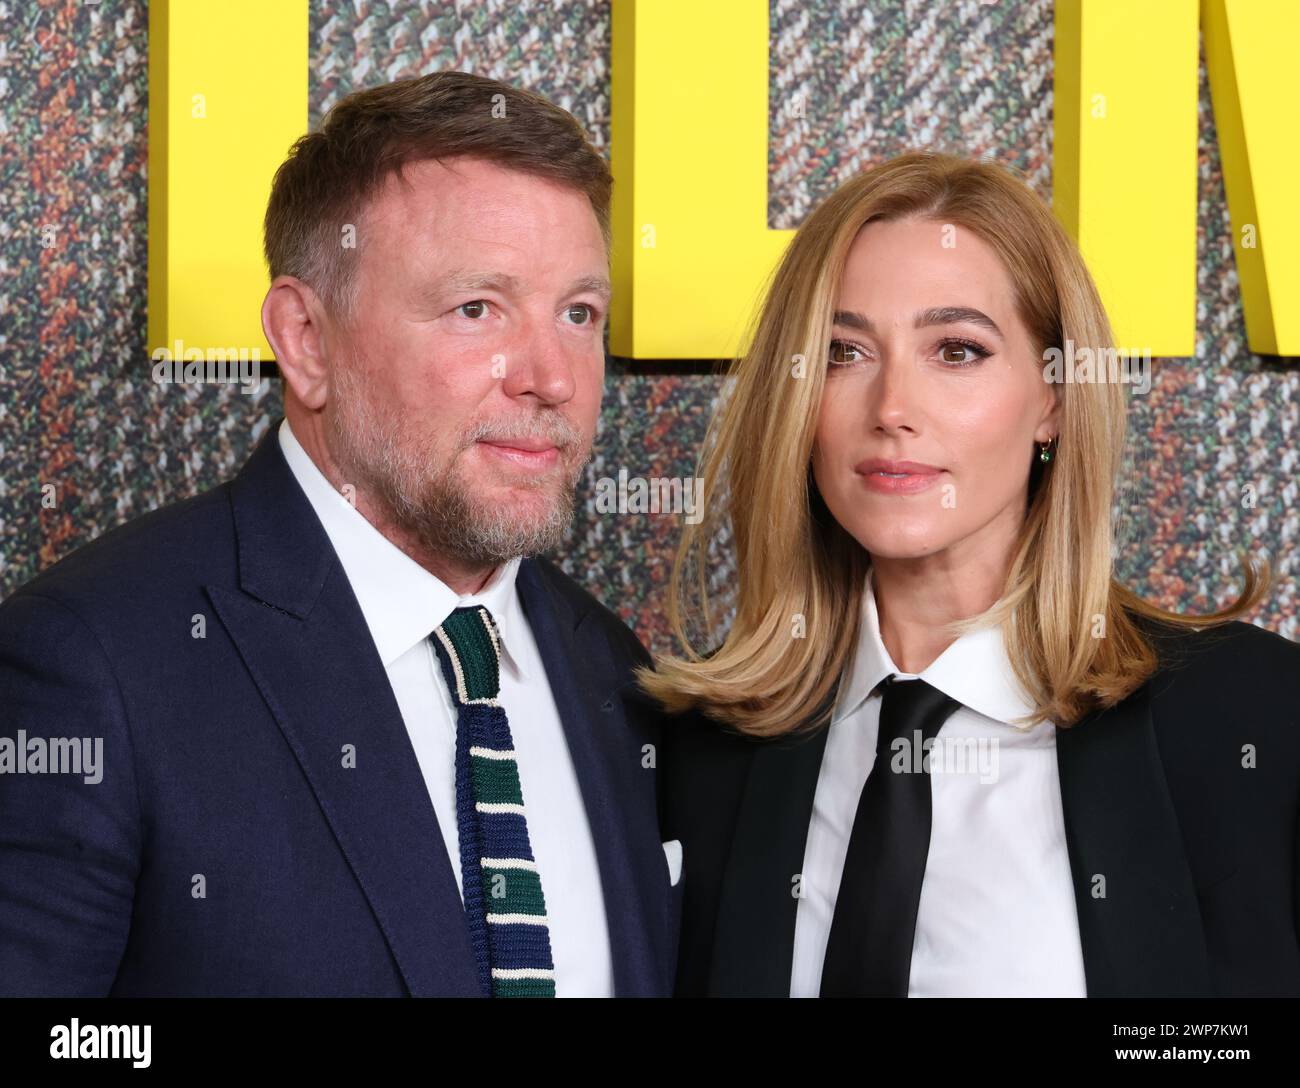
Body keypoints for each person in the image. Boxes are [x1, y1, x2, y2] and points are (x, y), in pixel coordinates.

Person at [0, 71, 678, 998]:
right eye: (476, 307)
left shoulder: (617, 673)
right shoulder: (92, 666)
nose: (551, 378)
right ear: (307, 341)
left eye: (578, 314)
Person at [645, 149, 1300, 997]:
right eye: (844, 353)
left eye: (955, 351)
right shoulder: (702, 759)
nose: (891, 411)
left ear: (1055, 397)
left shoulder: (1254, 721)